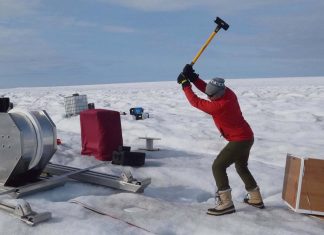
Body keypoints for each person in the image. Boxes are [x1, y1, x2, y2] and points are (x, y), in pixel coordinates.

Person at [177, 64, 264, 216]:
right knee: (241, 167)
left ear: (218, 95)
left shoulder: (219, 106)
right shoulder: (227, 92)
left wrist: (185, 85)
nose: (209, 98)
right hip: (247, 136)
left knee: (218, 166)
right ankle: (256, 198)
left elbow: (196, 102)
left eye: (211, 97)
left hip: (239, 140)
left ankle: (226, 203)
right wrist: (193, 77)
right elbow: (207, 89)